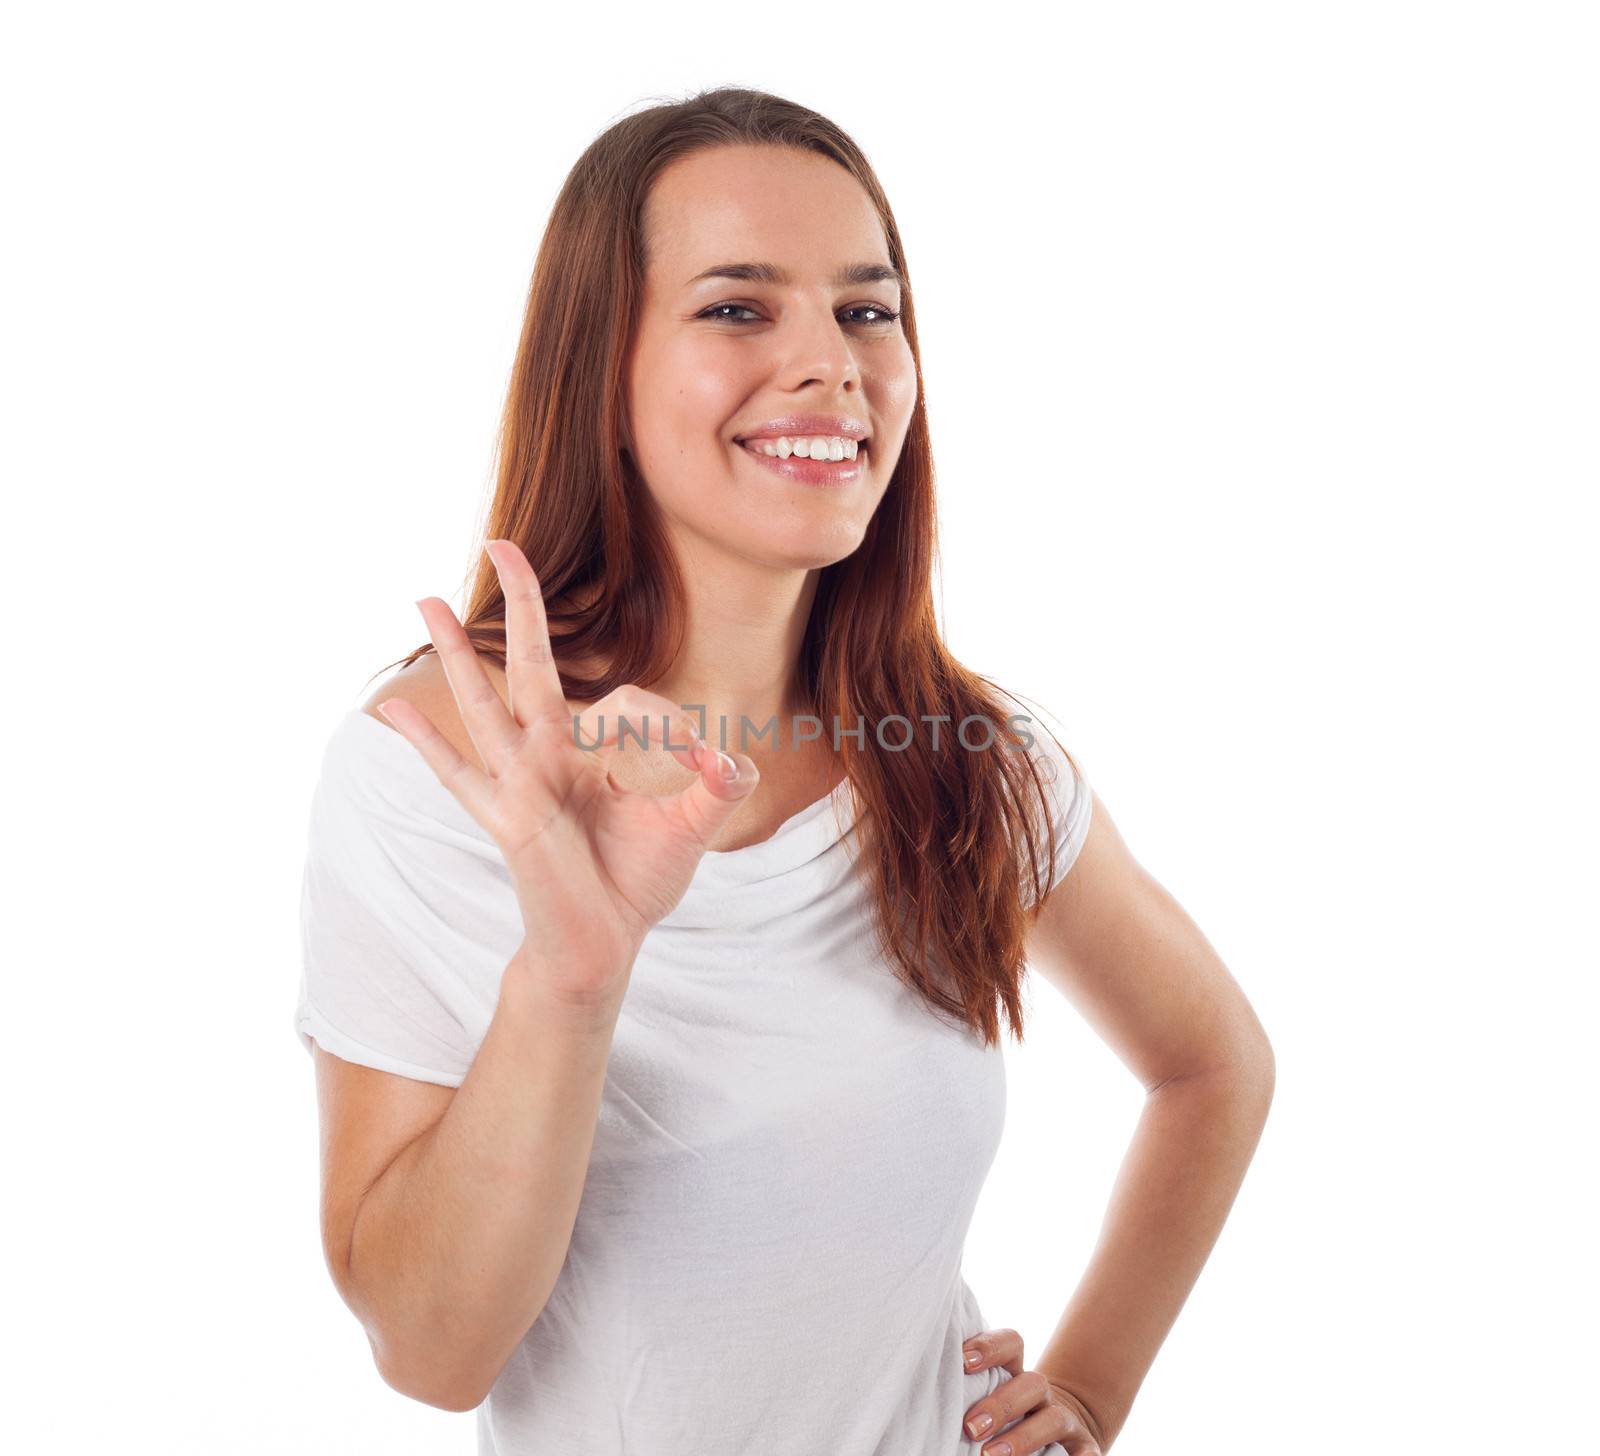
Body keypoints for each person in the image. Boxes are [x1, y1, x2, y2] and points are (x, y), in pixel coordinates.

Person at [294, 87, 1274, 1456]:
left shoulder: (967, 763)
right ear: (603, 370)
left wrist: (1094, 1386)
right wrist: (571, 980)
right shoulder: (444, 770)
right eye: (738, 308)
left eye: (867, 312)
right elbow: (435, 1353)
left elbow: (1213, 1064)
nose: (832, 365)